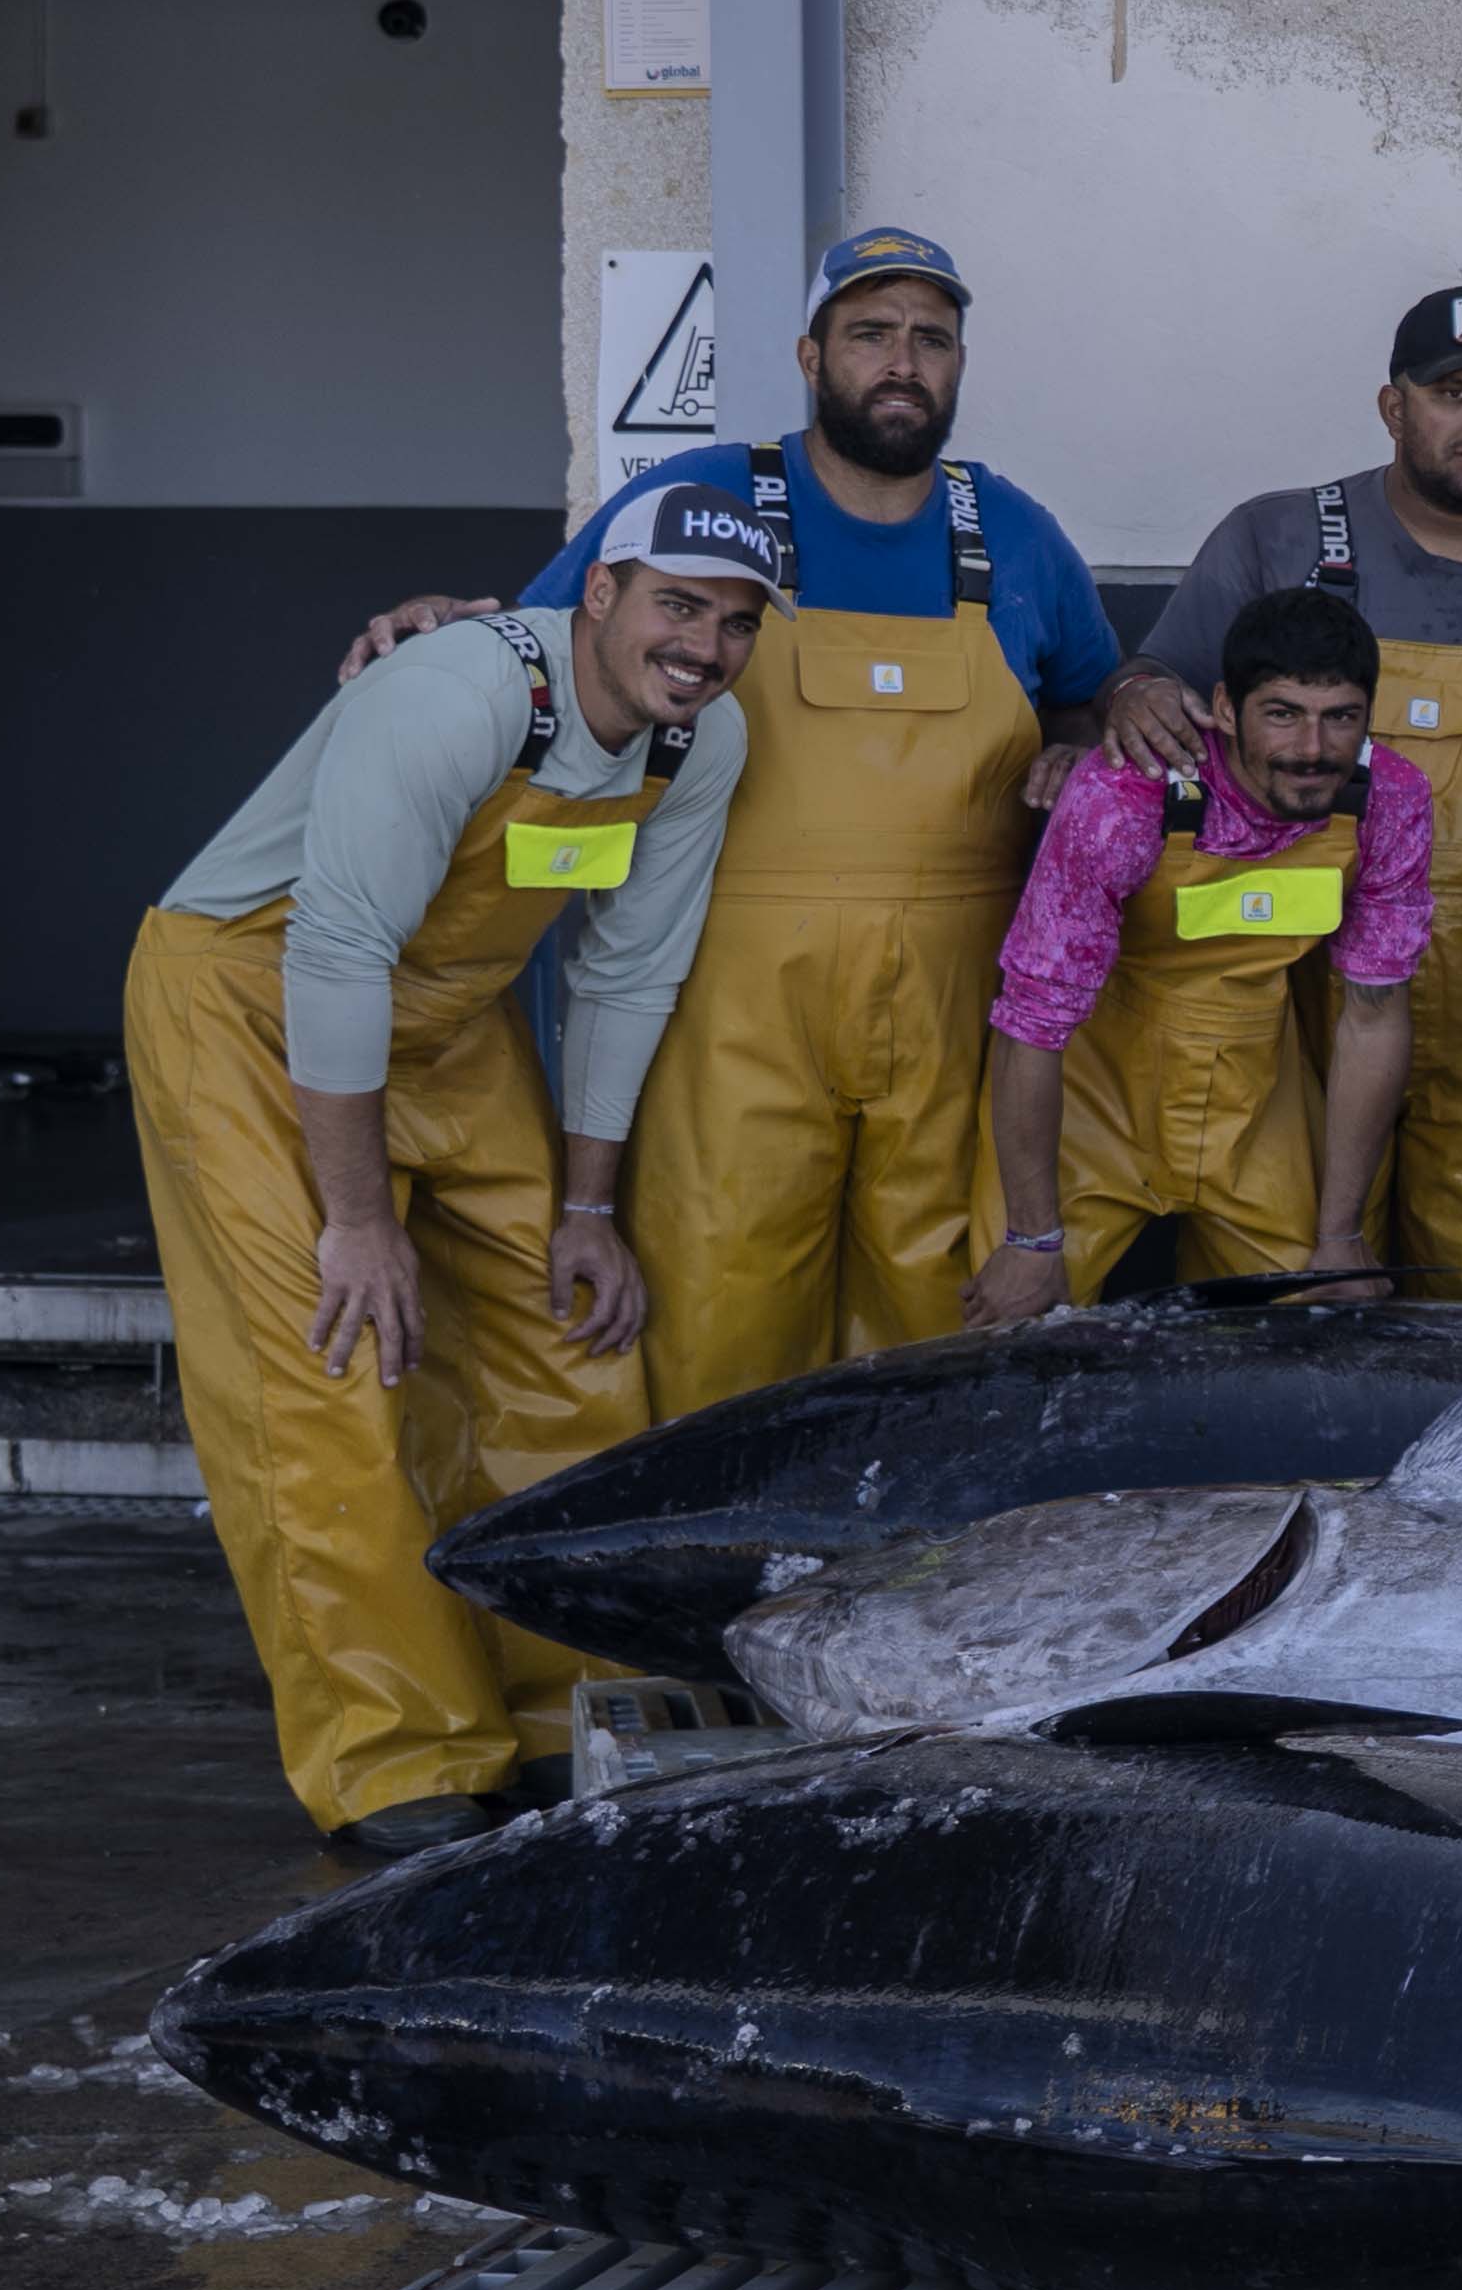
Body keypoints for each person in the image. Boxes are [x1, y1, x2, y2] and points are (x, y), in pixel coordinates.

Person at [337, 227, 1127, 1413]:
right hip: (726, 1001)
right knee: (717, 1313)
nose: (901, 360)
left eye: (931, 338)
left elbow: (1087, 697)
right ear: (810, 356)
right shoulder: (700, 499)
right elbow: (550, 649)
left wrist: (1086, 742)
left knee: (942, 1335)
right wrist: (448, 627)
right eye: (870, 333)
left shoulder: (1014, 531)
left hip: (960, 1011)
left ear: (960, 364)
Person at [140, 484, 769, 1847]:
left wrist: (588, 1205)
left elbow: (628, 969)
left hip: (449, 1014)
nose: (704, 647)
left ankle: (567, 1710)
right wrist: (358, 1216)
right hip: (254, 1000)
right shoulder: (456, 697)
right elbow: (336, 952)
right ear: (597, 593)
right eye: (677, 605)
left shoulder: (696, 741)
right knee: (324, 1370)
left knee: (566, 1335)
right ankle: (396, 1757)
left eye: (735, 623)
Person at [1113, 286, 1462, 1307]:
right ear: (1393, 406)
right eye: (1452, 393)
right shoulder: (1277, 536)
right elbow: (1157, 681)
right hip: (1298, 991)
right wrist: (1136, 696)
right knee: (1288, 1284)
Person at [971, 584, 1429, 1315]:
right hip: (1093, 1102)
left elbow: (1373, 1017)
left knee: (1312, 1318)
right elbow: (1031, 1021)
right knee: (1014, 1327)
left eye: (1340, 717)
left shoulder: (1391, 799)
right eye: (1282, 714)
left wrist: (1340, 1231)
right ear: (1224, 708)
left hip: (1258, 1103)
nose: (1313, 750)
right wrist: (1031, 1238)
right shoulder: (1126, 796)